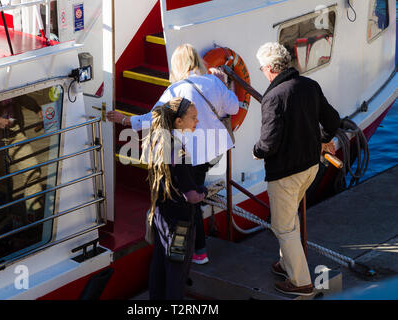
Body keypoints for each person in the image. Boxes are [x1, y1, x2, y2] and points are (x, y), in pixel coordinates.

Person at [107, 43, 239, 264]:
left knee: (188, 203)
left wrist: (124, 120)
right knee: (193, 197)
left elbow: (153, 118)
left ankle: (196, 252)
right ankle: (196, 249)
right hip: (213, 151)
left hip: (190, 155)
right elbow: (233, 108)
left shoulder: (175, 90)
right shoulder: (214, 82)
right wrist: (226, 84)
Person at [253, 42, 340, 296]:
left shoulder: (273, 97)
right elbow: (333, 121)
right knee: (290, 217)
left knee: (283, 226)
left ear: (270, 68)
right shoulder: (309, 86)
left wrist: (256, 150)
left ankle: (301, 282)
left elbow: (268, 143)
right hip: (310, 166)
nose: (263, 73)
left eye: (262, 69)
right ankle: (286, 263)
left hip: (285, 174)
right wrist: (323, 139)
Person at [143, 97, 207, 300]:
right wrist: (206, 192)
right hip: (180, 223)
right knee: (176, 274)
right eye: (193, 118)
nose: (197, 122)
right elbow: (191, 196)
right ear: (178, 121)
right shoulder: (178, 150)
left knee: (160, 268)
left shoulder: (157, 142)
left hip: (161, 216)